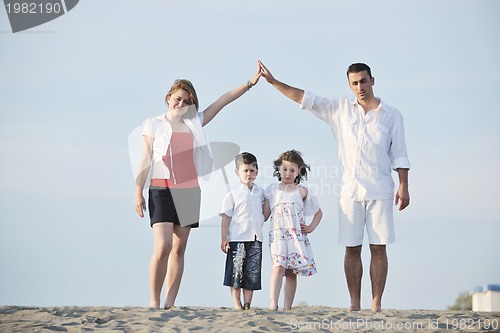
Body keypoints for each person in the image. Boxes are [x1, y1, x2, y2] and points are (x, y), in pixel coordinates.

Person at [258, 60, 410, 313]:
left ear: (372, 81)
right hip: (350, 191)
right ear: (349, 85)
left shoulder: (392, 115)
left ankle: (376, 303)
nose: (359, 87)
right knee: (352, 248)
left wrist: (404, 186)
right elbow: (305, 98)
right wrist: (274, 82)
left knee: (378, 247)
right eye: (354, 83)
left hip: (381, 189)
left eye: (363, 81)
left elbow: (401, 155)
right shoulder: (339, 109)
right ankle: (354, 302)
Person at [134, 67, 262, 309]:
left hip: (189, 191)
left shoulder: (195, 122)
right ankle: (153, 301)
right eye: (177, 98)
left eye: (186, 101)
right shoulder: (152, 125)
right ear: (168, 98)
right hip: (160, 189)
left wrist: (250, 83)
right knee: (162, 246)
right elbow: (145, 159)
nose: (181, 103)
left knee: (179, 249)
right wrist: (137, 191)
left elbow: (222, 101)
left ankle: (170, 303)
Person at [263, 149, 323, 311]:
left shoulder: (302, 191)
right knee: (278, 266)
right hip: (278, 236)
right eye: (284, 169)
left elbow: (318, 212)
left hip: (296, 237)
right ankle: (273, 304)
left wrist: (311, 227)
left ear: (298, 172)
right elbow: (264, 214)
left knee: (291, 272)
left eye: (292, 170)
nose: (288, 173)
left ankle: (287, 307)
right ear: (278, 170)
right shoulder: (272, 190)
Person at [219, 152, 266, 310]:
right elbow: (225, 217)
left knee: (251, 272)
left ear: (257, 172)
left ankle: (247, 304)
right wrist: (223, 238)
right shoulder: (233, 194)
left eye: (252, 170)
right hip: (237, 238)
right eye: (245, 170)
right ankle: (236, 303)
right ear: (237, 172)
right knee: (236, 272)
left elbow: (265, 212)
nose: (249, 174)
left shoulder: (260, 193)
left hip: (255, 238)